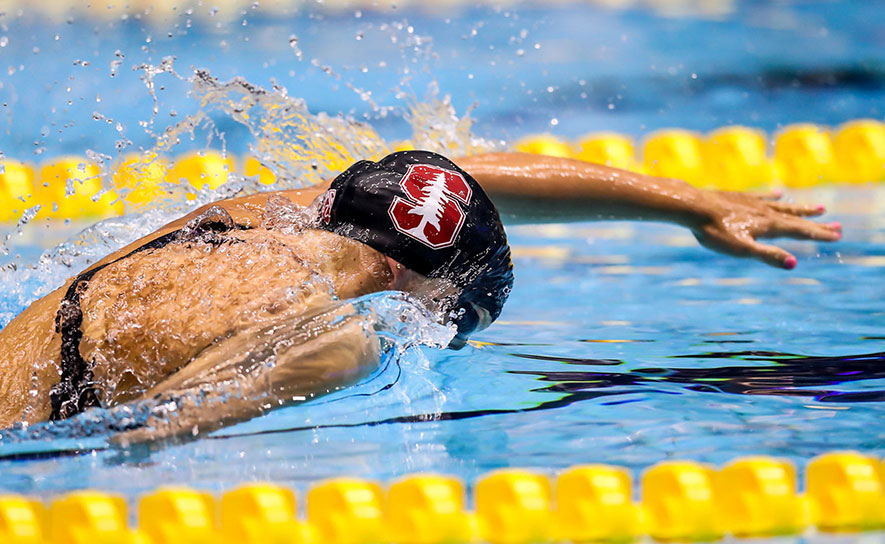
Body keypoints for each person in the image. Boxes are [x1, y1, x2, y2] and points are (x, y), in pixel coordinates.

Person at [0, 150, 841, 442]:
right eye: (450, 319)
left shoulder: (252, 218)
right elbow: (137, 443)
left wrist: (689, 202)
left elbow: (455, 178)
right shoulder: (334, 339)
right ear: (403, 280)